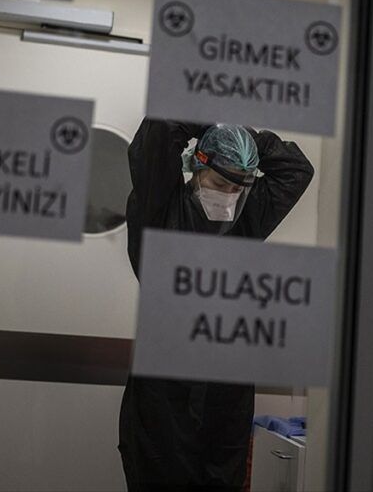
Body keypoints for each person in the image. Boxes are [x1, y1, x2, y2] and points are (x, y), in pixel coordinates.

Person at [120, 118, 314, 491]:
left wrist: (247, 139)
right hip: (164, 399)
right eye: (220, 185)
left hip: (226, 398)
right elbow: (158, 134)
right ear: (197, 167)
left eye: (238, 188)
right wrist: (211, 124)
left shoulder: (245, 220)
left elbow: (296, 171)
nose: (228, 197)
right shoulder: (159, 215)